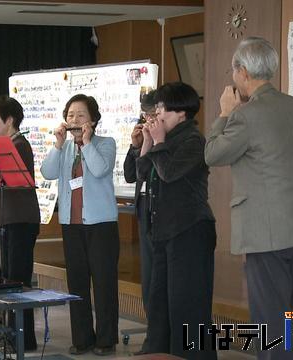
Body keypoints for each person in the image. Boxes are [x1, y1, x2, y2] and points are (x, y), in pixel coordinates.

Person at [205, 37, 293, 360]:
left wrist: (224, 113)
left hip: (266, 232)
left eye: (233, 70)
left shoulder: (245, 115)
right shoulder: (291, 105)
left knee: (269, 320)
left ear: (242, 72)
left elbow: (212, 153)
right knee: (287, 313)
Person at [127, 82, 216, 359]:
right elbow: (141, 173)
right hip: (164, 231)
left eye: (163, 108)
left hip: (190, 230)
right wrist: (149, 143)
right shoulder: (166, 137)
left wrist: (160, 142)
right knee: (160, 303)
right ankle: (160, 353)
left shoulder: (193, 141)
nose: (158, 113)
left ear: (182, 113)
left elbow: (169, 173)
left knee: (187, 306)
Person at [40, 94, 119, 356]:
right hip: (71, 224)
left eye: (81, 115)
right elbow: (48, 172)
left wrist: (85, 143)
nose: (74, 120)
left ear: (93, 121)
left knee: (104, 282)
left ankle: (106, 340)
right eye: (70, 115)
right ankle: (82, 338)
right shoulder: (65, 149)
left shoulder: (105, 143)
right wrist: (58, 145)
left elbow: (99, 170)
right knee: (77, 283)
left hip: (101, 224)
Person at [0, 95, 40, 352]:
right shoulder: (4, 143)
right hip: (7, 217)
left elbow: (11, 177)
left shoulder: (19, 144)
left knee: (18, 279)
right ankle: (12, 332)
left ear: (10, 120)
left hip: (21, 218)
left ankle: (24, 337)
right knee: (8, 278)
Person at [122, 89, 157, 355]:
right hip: (144, 208)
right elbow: (131, 175)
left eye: (153, 113)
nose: (148, 119)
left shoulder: (168, 138)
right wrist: (136, 146)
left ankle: (158, 338)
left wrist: (153, 142)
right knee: (148, 277)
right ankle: (152, 333)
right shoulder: (144, 136)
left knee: (159, 277)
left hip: (163, 211)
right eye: (145, 114)